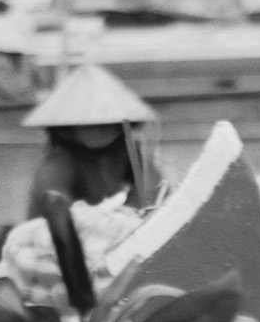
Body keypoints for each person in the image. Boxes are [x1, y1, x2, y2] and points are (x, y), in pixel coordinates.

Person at [22, 62, 158, 215]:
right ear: (70, 127)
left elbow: (152, 189)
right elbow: (57, 214)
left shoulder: (125, 149)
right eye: (89, 125)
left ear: (118, 126)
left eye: (106, 124)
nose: (99, 130)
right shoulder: (59, 163)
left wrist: (130, 212)